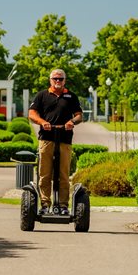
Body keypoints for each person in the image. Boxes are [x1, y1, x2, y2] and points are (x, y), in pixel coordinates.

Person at [28, 69, 83, 215]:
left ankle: (63, 206)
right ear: (50, 80)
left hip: (65, 139)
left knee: (63, 174)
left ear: (65, 80)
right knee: (44, 174)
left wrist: (72, 122)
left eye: (60, 79)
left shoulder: (71, 96)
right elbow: (32, 113)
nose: (58, 81)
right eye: (55, 79)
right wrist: (42, 122)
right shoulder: (42, 95)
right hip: (46, 139)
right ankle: (45, 205)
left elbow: (79, 115)